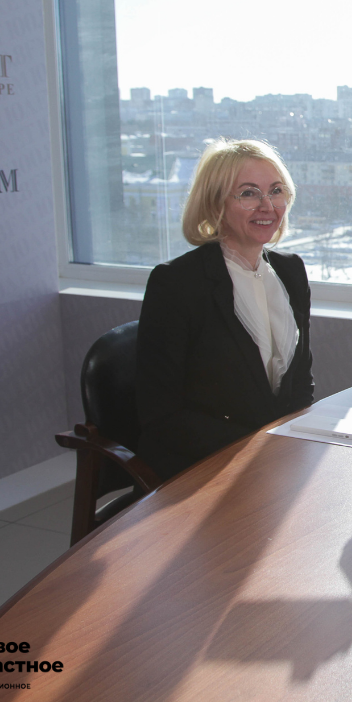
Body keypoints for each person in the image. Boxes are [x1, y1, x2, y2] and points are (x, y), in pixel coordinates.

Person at [136, 138, 314, 481]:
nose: (267, 206)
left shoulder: (291, 271)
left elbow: (301, 382)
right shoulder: (176, 283)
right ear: (215, 203)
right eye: (248, 193)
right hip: (201, 468)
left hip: (272, 461)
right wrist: (257, 451)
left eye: (276, 191)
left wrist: (290, 449)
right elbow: (161, 417)